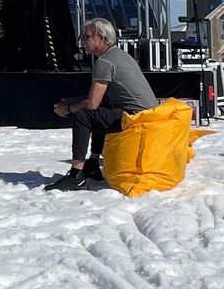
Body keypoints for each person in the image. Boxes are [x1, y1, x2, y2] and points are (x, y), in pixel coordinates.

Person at [46, 18, 160, 191]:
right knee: (99, 112)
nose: (83, 41)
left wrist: (67, 108)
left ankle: (76, 175)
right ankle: (92, 164)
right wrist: (71, 100)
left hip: (135, 118)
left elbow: (92, 104)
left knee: (83, 115)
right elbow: (100, 100)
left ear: (101, 38)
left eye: (87, 36)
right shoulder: (118, 55)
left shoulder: (104, 62)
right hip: (146, 114)